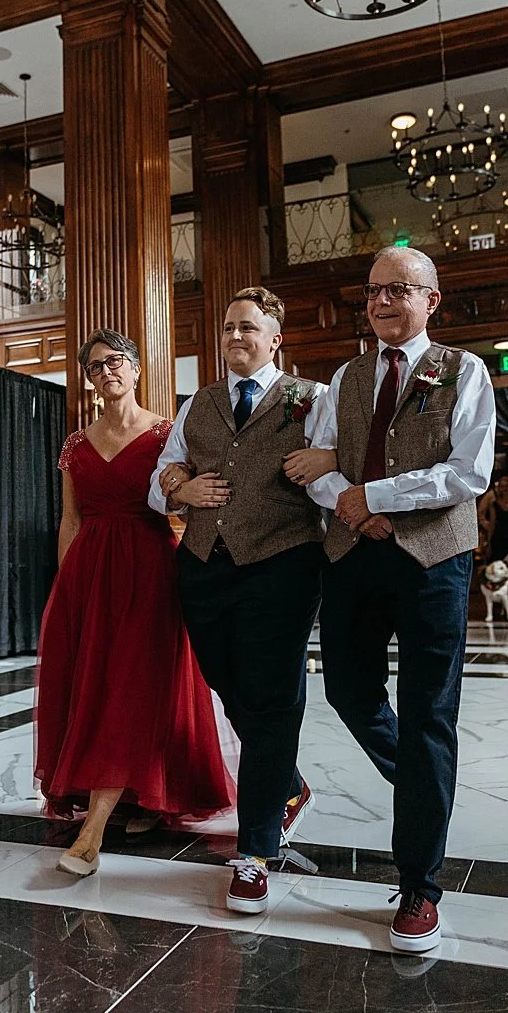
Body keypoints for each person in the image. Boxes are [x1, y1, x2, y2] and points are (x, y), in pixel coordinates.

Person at [306, 246, 495, 952]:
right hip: (353, 554)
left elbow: (467, 471)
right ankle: (426, 787)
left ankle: (420, 885)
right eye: (373, 291)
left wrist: (377, 497)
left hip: (432, 561)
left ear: (431, 301)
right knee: (349, 693)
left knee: (428, 714)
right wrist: (354, 507)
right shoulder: (345, 376)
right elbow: (323, 466)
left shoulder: (465, 370)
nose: (382, 301)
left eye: (398, 290)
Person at [149, 287, 335, 915]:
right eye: (228, 327)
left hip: (282, 565)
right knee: (228, 686)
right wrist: (182, 485)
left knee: (272, 699)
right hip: (202, 566)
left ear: (276, 337)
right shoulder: (196, 403)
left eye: (249, 328)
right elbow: (161, 479)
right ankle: (286, 782)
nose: (235, 337)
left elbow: (340, 471)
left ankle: (255, 853)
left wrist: (326, 460)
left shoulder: (312, 400)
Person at [36, 329, 231, 878]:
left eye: (116, 362)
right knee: (96, 686)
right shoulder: (76, 442)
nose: (107, 372)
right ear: (89, 379)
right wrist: (66, 584)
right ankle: (138, 798)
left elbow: (185, 501)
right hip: (89, 573)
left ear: (138, 369)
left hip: (151, 569)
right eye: (95, 367)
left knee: (134, 685)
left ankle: (94, 830)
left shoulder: (169, 433)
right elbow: (70, 519)